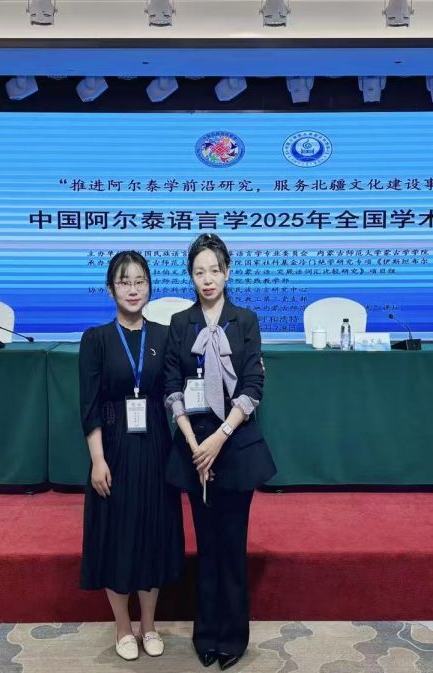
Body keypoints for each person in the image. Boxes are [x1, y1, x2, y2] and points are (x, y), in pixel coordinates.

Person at [164, 233, 277, 670]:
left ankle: (233, 637)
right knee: (206, 545)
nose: (207, 279)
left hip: (235, 446)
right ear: (191, 277)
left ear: (227, 272)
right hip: (195, 449)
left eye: (214, 270)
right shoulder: (180, 323)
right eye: (199, 272)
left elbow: (253, 385)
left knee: (231, 544)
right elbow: (171, 386)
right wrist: (197, 446)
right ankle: (206, 634)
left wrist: (220, 437)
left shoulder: (244, 320)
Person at [79, 250, 185, 661]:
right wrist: (98, 459)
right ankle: (122, 626)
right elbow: (89, 405)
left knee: (153, 535)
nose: (133, 289)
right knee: (117, 535)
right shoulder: (97, 339)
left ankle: (149, 624)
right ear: (111, 289)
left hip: (157, 446)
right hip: (115, 448)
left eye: (140, 281)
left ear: (149, 287)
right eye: (124, 281)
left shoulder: (164, 336)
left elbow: (181, 384)